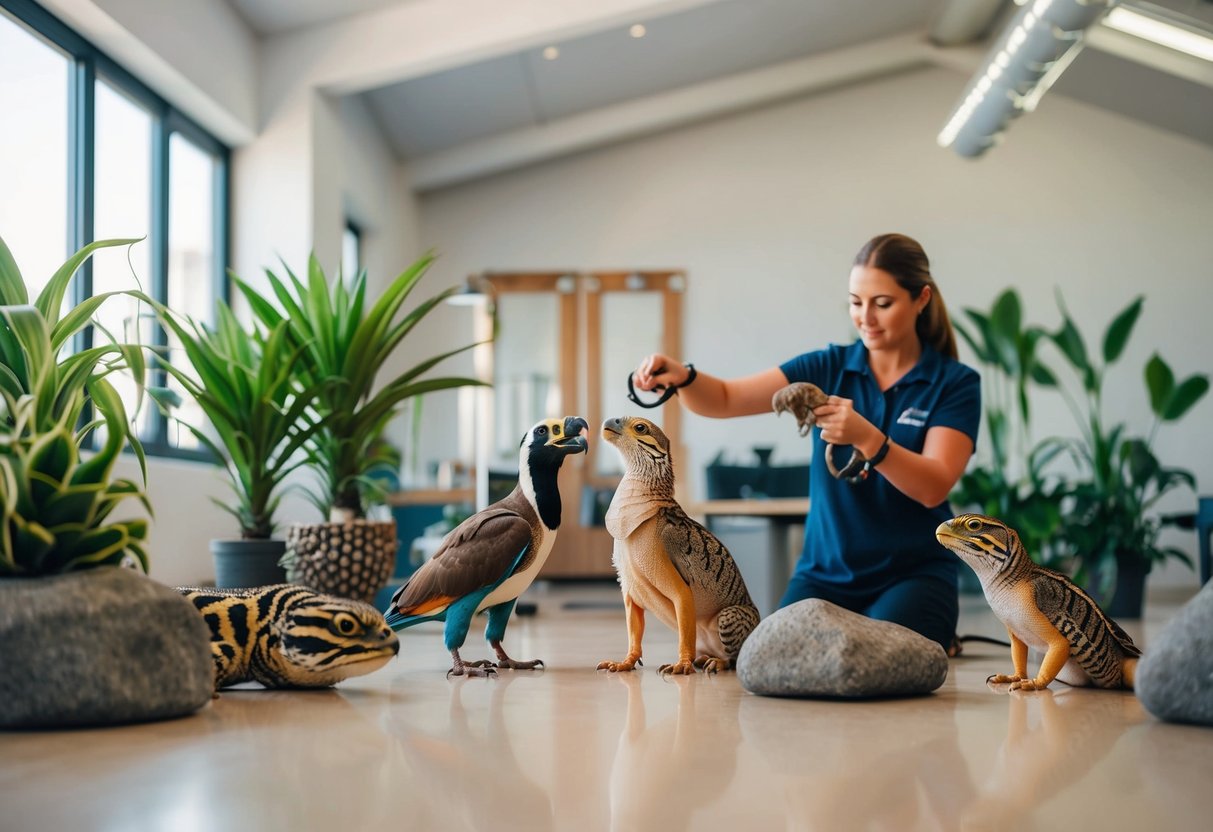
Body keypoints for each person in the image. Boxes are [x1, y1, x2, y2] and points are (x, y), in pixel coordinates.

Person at [631, 233, 980, 653]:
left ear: (921, 299)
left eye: (882, 303)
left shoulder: (955, 383)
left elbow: (934, 485)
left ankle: (936, 629)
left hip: (913, 574)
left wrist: (867, 437)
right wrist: (683, 376)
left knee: (877, 657)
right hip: (824, 575)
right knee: (770, 655)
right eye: (855, 302)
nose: (865, 316)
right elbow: (725, 398)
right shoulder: (827, 366)